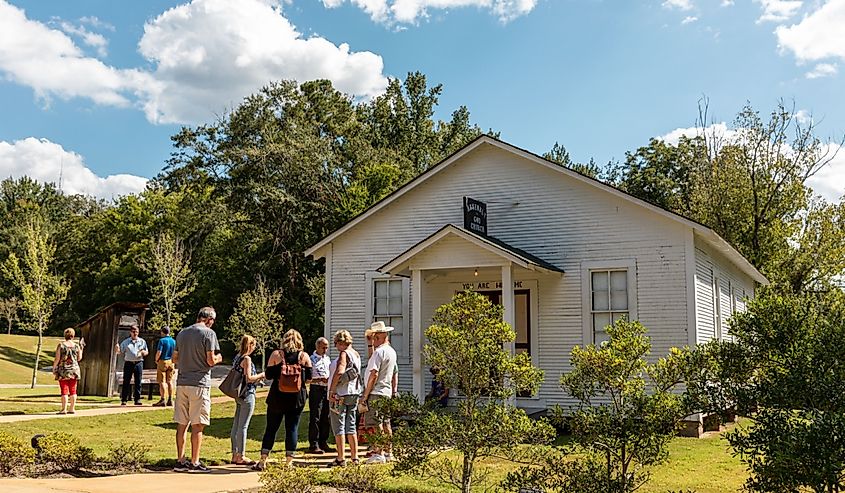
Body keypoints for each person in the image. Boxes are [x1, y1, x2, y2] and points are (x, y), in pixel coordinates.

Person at [254, 329, 312, 470]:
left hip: (277, 396)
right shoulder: (304, 357)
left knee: (271, 428)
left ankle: (263, 460)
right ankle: (289, 462)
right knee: (292, 428)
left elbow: (268, 375)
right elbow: (309, 379)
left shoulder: (276, 354)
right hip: (297, 398)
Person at [173, 307, 222, 473]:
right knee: (198, 424)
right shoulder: (209, 334)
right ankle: (195, 462)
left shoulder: (182, 333)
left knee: (181, 424)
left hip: (182, 382)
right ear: (209, 319)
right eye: (213, 321)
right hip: (199, 383)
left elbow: (175, 358)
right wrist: (218, 358)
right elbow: (210, 360)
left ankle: (180, 460)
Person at [361, 321, 397, 464]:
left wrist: (366, 394)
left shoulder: (379, 352)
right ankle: (389, 451)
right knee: (386, 422)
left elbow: (373, 374)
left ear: (377, 337)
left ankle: (378, 452)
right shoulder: (390, 351)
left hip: (376, 391)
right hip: (386, 391)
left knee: (376, 424)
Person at [327, 329, 362, 467]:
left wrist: (332, 389)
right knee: (351, 424)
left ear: (339, 342)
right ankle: (355, 457)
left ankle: (341, 458)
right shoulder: (356, 354)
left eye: (336, 343)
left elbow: (340, 371)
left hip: (340, 393)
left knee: (338, 425)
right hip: (354, 392)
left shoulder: (344, 354)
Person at [230, 335, 266, 466]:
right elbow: (249, 378)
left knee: (236, 424)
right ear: (250, 345)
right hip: (247, 394)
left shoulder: (237, 357)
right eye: (254, 345)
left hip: (239, 395)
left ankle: (235, 453)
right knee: (243, 426)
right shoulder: (247, 359)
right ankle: (241, 455)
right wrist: (262, 375)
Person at [308, 337, 333, 454]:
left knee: (326, 416)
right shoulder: (311, 359)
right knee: (315, 416)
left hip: (326, 388)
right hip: (316, 388)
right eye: (323, 347)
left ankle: (323, 441)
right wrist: (318, 379)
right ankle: (314, 443)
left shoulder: (327, 359)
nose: (325, 350)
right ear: (317, 346)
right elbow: (307, 379)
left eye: (327, 347)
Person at [114, 324, 148, 406]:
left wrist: (143, 353)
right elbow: (119, 352)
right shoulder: (126, 342)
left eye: (136, 332)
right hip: (129, 363)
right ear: (130, 332)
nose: (135, 333)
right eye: (133, 332)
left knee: (138, 382)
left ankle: (137, 399)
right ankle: (124, 399)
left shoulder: (142, 342)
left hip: (138, 363)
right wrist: (117, 349)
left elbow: (146, 352)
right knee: (126, 381)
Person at [53, 328, 83, 414]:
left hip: (63, 370)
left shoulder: (61, 345)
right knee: (73, 390)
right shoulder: (77, 346)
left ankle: (63, 409)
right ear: (73, 336)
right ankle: (72, 408)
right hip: (74, 370)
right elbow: (79, 358)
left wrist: (54, 368)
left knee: (64, 390)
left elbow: (57, 359)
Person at [153, 327, 176, 407]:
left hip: (163, 360)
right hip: (171, 361)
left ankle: (163, 399)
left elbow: (159, 352)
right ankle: (171, 399)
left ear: (163, 332)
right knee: (170, 381)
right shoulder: (173, 341)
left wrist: (156, 359)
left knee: (162, 381)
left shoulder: (162, 341)